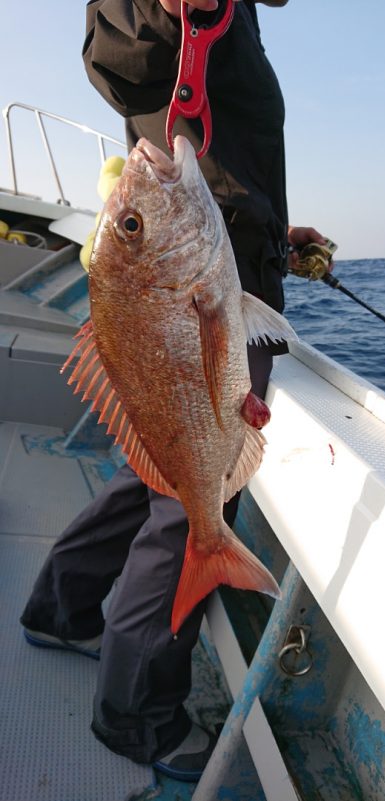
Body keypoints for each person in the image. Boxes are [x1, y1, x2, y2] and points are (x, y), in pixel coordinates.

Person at [20, 0, 329, 783]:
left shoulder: (238, 21)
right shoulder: (180, 11)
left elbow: (234, 155)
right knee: (189, 510)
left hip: (218, 255)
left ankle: (61, 607)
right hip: (197, 277)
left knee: (156, 468)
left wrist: (265, 230)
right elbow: (120, 54)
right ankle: (133, 712)